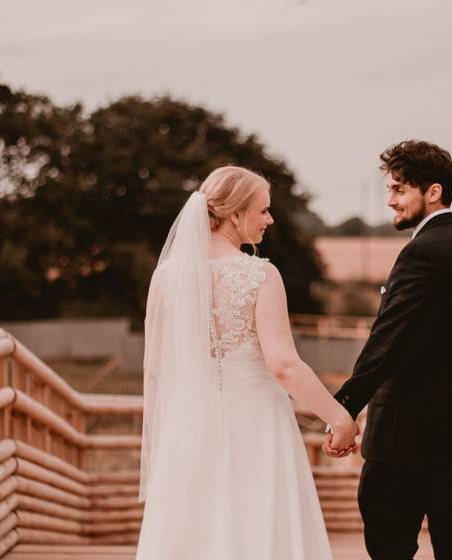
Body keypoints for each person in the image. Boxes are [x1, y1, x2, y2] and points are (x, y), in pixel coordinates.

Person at [135, 166, 359, 559]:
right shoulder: (260, 275)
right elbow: (284, 365)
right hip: (255, 424)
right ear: (236, 215)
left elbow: (153, 370)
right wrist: (339, 418)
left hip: (187, 424)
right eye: (263, 210)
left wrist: (165, 440)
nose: (270, 219)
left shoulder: (166, 277)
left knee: (196, 529)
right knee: (256, 524)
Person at [327, 140, 452, 560]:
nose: (390, 200)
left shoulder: (420, 254)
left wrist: (345, 406)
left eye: (399, 190)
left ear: (433, 192)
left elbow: (388, 338)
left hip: (407, 437)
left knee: (388, 546)